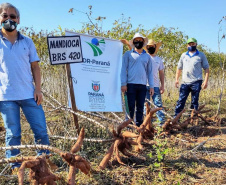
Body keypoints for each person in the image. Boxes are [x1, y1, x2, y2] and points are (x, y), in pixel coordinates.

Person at [0, 3, 50, 169]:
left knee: (41, 130)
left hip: (29, 94)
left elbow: (35, 67)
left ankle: (43, 162)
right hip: (6, 97)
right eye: (5, 16)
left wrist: (38, 89)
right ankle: (14, 166)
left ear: (18, 20)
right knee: (13, 133)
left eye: (12, 16)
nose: (9, 19)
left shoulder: (27, 42)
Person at [121, 33, 154, 127]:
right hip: (130, 84)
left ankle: (139, 126)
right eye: (136, 40)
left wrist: (151, 86)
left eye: (140, 40)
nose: (138, 42)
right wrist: (123, 84)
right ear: (133, 42)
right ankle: (129, 126)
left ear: (143, 42)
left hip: (143, 85)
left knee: (140, 107)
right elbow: (123, 69)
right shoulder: (128, 54)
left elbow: (150, 72)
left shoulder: (147, 56)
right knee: (130, 106)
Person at [174, 38, 209, 116]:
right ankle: (176, 118)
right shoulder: (184, 55)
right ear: (187, 45)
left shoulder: (201, 55)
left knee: (194, 101)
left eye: (193, 44)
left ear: (196, 44)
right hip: (185, 82)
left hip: (196, 81)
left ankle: (193, 119)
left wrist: (206, 81)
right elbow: (179, 68)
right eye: (189, 44)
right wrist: (176, 79)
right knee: (181, 101)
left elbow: (206, 68)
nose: (191, 45)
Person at [146, 39, 165, 125]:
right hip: (144, 85)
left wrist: (162, 85)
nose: (151, 48)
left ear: (155, 47)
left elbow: (161, 73)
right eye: (149, 46)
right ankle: (145, 123)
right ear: (147, 47)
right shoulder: (144, 57)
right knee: (145, 105)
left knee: (158, 104)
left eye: (152, 46)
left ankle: (161, 124)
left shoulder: (159, 60)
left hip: (156, 86)